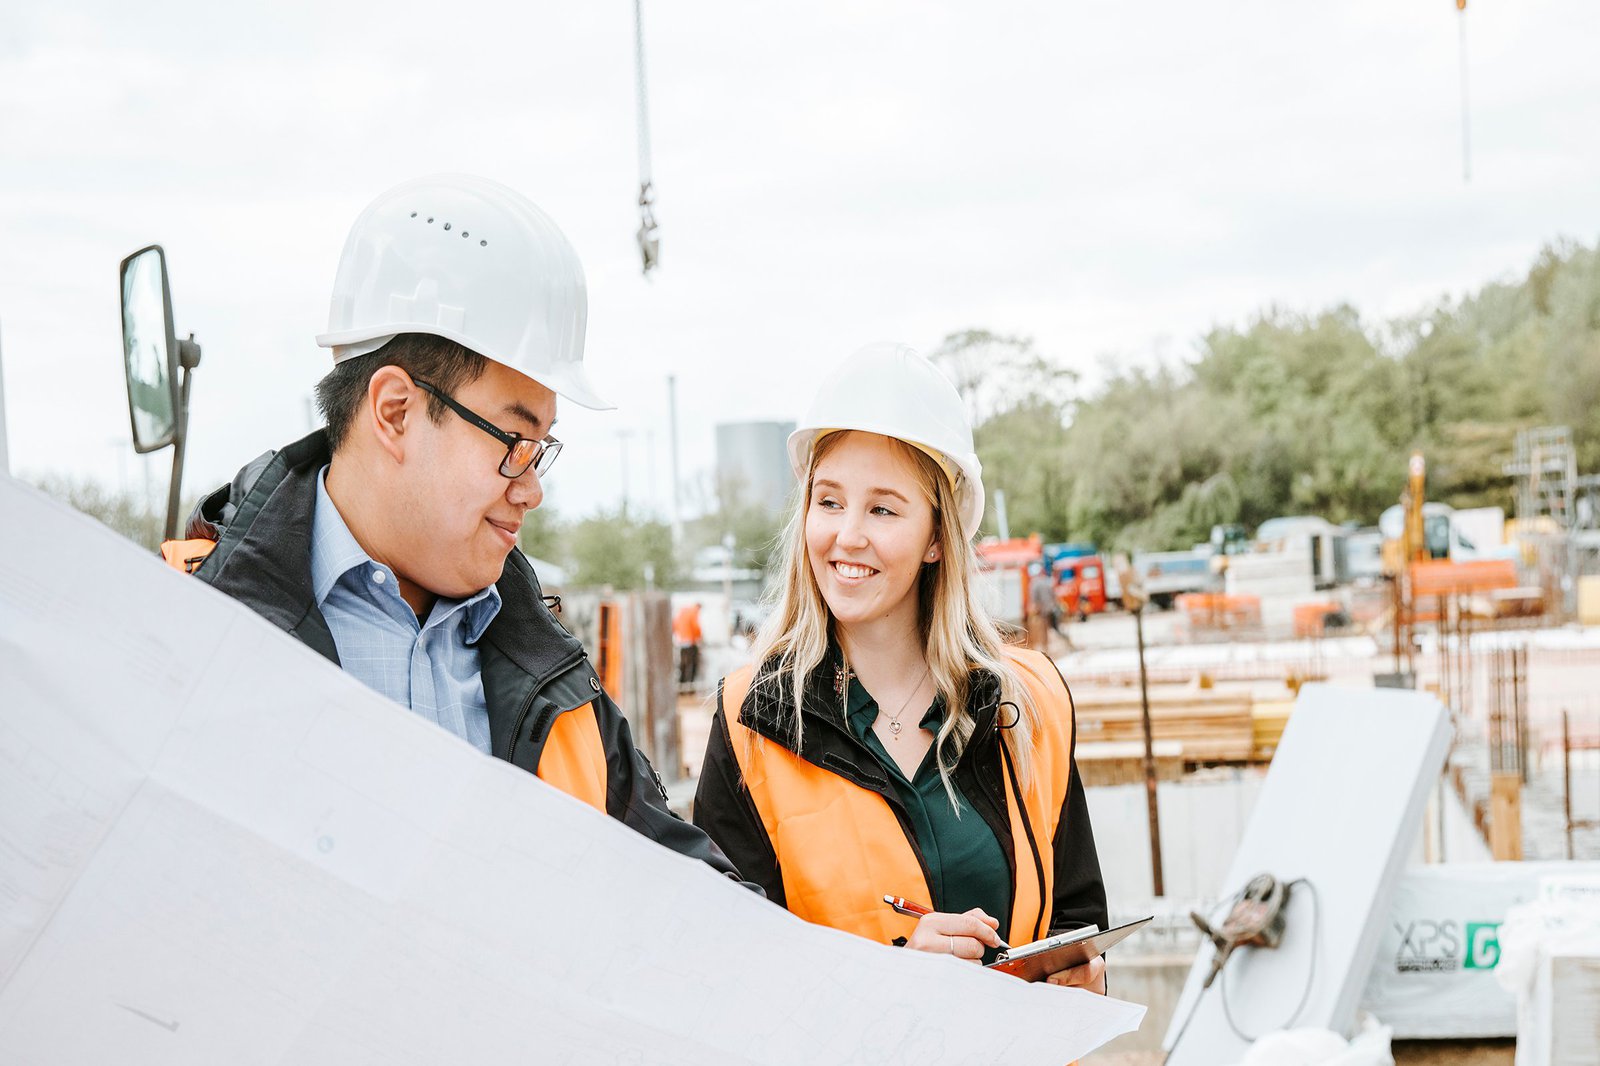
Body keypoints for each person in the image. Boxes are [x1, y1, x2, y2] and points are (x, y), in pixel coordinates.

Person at [162, 175, 749, 886]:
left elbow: (692, 901)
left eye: (541, 449)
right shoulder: (190, 634)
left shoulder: (554, 677)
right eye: (513, 441)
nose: (531, 489)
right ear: (395, 412)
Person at [692, 343, 1108, 989]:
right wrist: (893, 978)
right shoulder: (751, 722)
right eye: (829, 501)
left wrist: (1084, 980)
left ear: (937, 537)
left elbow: (1076, 918)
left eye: (882, 508)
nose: (847, 535)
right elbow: (727, 972)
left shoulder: (1031, 700)